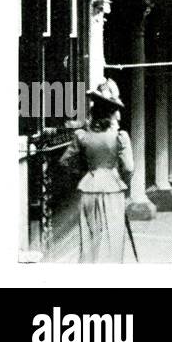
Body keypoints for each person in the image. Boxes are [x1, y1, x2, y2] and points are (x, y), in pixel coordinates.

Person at [60, 82, 134, 262]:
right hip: (113, 189)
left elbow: (64, 161)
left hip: (88, 188)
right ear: (111, 113)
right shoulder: (120, 137)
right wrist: (123, 182)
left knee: (89, 240)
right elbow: (129, 168)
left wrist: (84, 172)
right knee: (114, 239)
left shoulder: (82, 136)